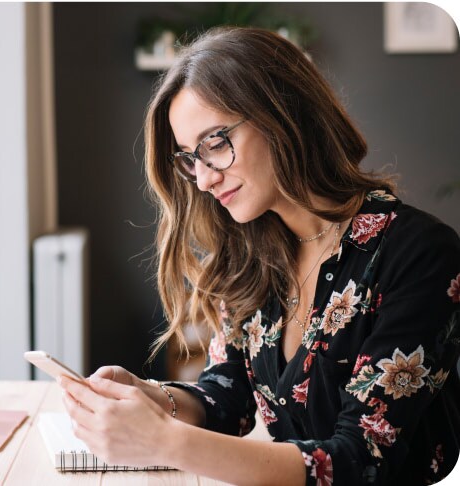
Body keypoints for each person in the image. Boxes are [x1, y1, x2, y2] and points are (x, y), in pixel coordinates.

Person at [58, 26, 460, 485]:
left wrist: (163, 441)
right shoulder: (248, 255)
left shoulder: (419, 254)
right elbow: (227, 401)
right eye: (191, 157)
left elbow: (361, 460)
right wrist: (154, 399)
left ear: (282, 114)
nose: (204, 179)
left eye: (214, 143)